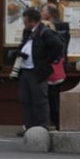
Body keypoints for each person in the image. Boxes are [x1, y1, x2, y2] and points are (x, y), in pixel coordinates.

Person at [18, 8, 63, 136]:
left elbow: (58, 46)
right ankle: (29, 127)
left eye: (25, 21)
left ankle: (43, 127)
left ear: (32, 21)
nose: (24, 23)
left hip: (38, 71)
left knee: (40, 100)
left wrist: (46, 60)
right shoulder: (27, 32)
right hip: (25, 70)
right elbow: (25, 45)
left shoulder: (45, 32)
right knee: (25, 99)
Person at [42, 3, 70, 131]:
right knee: (54, 97)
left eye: (43, 11)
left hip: (54, 66)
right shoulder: (62, 27)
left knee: (51, 97)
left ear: (50, 14)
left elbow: (58, 47)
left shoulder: (55, 28)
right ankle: (56, 122)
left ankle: (54, 122)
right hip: (59, 66)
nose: (41, 13)